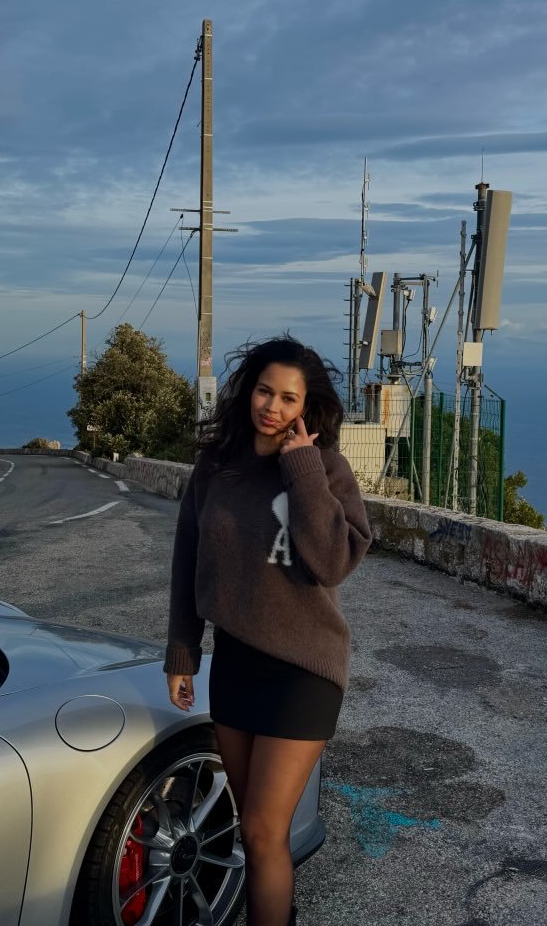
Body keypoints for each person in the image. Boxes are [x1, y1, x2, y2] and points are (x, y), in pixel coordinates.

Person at [164, 335, 372, 926]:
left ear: (307, 407)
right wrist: (183, 651)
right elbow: (188, 557)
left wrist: (301, 466)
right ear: (248, 390)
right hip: (235, 662)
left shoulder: (324, 468)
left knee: (262, 829)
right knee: (249, 829)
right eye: (264, 391)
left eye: (287, 398)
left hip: (304, 669)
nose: (272, 407)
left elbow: (333, 561)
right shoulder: (216, 466)